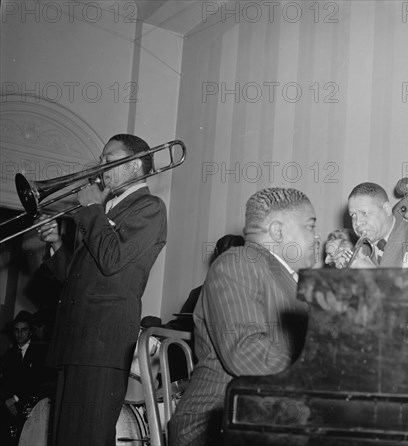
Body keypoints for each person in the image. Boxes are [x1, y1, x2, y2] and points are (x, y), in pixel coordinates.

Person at [36, 134, 168, 446]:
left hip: (102, 340)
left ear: (135, 165)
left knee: (88, 437)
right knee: (66, 437)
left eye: (109, 159)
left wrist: (93, 208)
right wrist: (56, 244)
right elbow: (78, 277)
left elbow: (113, 260)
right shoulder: (105, 209)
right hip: (76, 338)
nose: (100, 166)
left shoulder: (150, 208)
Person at [169, 187, 320, 446]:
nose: (317, 237)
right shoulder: (238, 261)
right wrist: (320, 370)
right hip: (213, 425)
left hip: (265, 417)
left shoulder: (291, 282)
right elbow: (245, 352)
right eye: (310, 226)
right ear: (277, 231)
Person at [326, 182, 408, 268]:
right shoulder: (357, 250)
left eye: (364, 213)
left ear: (387, 209)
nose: (357, 222)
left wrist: (373, 276)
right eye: (353, 215)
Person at [0, 311, 51, 445]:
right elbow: (7, 380)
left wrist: (15, 398)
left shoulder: (40, 351)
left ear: (30, 332)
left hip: (33, 405)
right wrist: (9, 400)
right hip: (13, 406)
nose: (20, 334)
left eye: (24, 330)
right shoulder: (10, 354)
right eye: (16, 330)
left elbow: (36, 380)